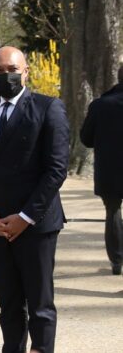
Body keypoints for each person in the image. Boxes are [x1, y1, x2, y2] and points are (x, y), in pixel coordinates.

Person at [0, 46, 68, 353]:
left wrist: (25, 217)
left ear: (25, 71)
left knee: (40, 305)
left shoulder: (47, 107)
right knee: (9, 304)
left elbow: (56, 170)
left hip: (36, 225)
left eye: (12, 70)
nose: (6, 76)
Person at [79, 63, 123, 275]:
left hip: (110, 169)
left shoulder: (101, 105)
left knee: (113, 211)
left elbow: (86, 139)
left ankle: (117, 260)